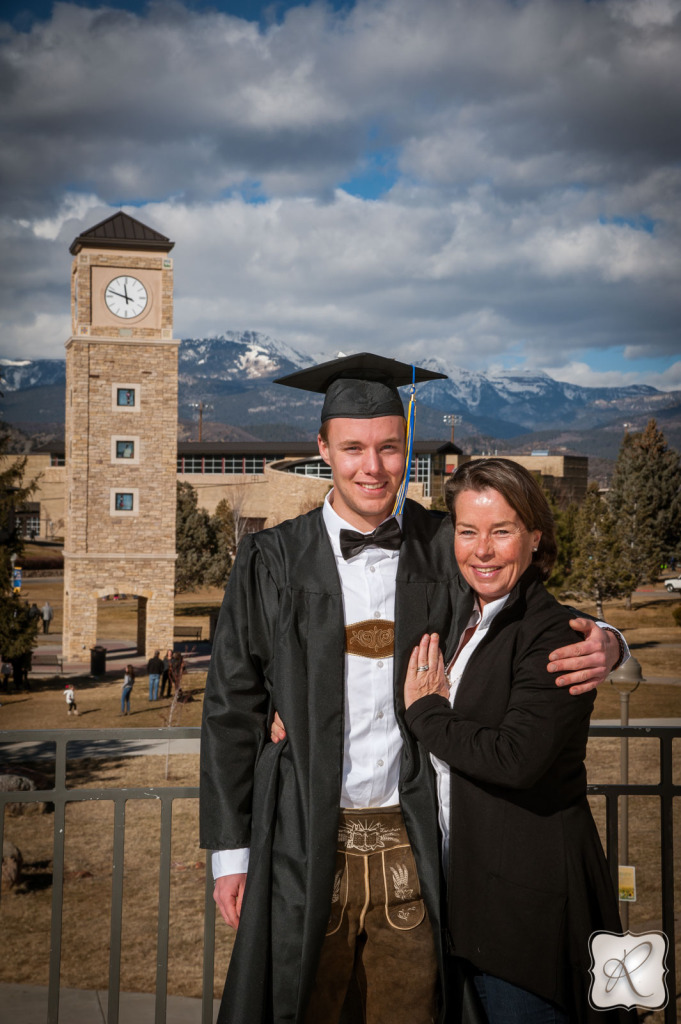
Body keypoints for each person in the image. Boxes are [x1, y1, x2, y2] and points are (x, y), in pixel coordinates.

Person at [201, 354, 625, 1024]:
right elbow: (230, 708)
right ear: (322, 451)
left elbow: (521, 601)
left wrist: (605, 637)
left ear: (407, 448)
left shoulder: (443, 543)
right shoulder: (271, 558)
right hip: (302, 839)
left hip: (416, 843)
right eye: (352, 449)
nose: (372, 468)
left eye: (389, 448)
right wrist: (231, 853)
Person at [403, 459, 634, 1024]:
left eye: (501, 531)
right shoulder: (471, 617)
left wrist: (428, 713)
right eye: (467, 531)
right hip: (474, 898)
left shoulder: (556, 633)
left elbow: (518, 757)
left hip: (526, 909)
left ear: (534, 537)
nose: (482, 549)